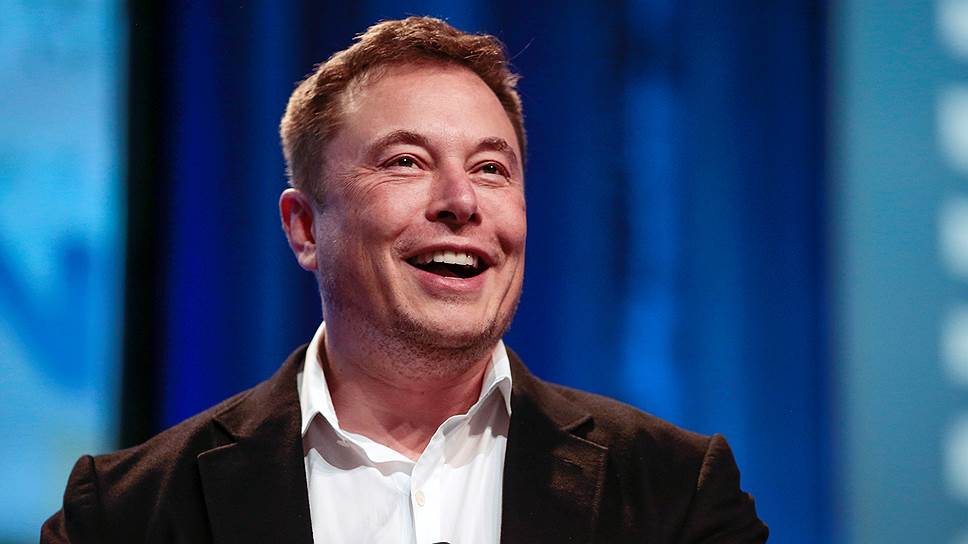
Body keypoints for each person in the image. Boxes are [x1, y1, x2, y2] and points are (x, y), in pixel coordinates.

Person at [41, 16, 767, 543]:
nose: (461, 200)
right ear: (304, 228)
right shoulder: (124, 515)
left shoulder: (675, 493)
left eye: (491, 168)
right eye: (406, 162)